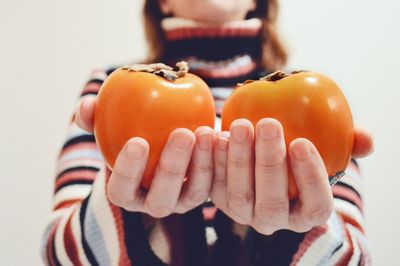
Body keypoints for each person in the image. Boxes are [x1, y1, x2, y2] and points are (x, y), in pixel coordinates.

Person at [41, 0, 374, 265]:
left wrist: (293, 231)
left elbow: (355, 256)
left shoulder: (317, 98)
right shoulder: (107, 86)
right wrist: (130, 212)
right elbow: (59, 252)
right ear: (163, 4)